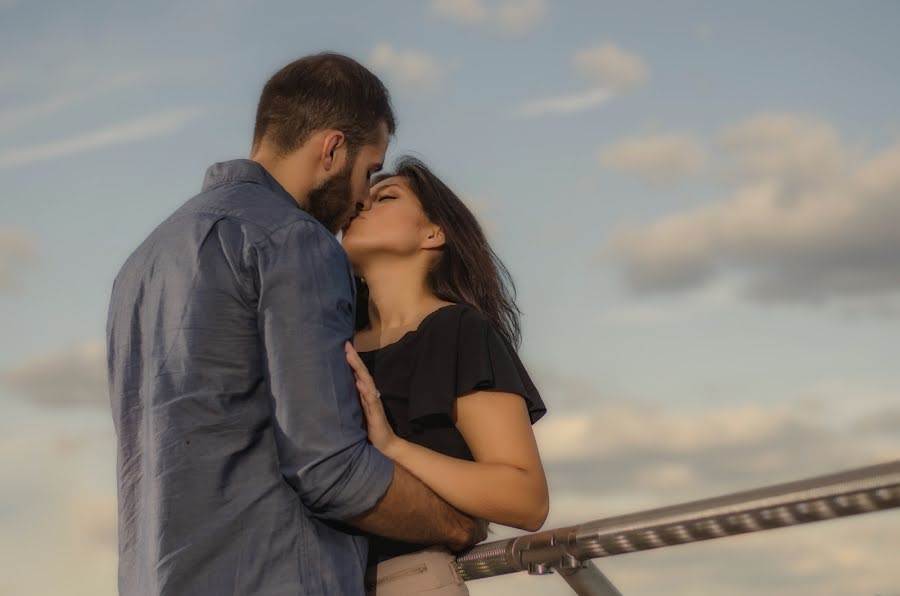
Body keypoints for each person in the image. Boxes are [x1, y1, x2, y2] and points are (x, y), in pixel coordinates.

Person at [105, 53, 486, 596]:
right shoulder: (295, 239)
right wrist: (454, 524)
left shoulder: (140, 264)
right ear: (331, 149)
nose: (361, 198)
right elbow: (330, 468)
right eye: (369, 170)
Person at [338, 157, 550, 595]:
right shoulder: (328, 337)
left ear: (433, 233)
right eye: (362, 196)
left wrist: (393, 447)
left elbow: (526, 499)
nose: (360, 203)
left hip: (406, 581)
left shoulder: (458, 331)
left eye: (386, 196)